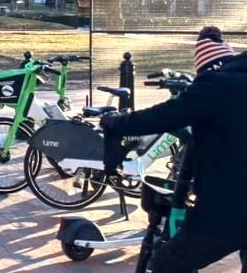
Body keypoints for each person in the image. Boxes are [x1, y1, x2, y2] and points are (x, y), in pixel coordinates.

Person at [100, 26, 247, 273]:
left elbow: (164, 116)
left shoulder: (215, 86)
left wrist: (117, 123)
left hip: (228, 207)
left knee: (167, 264)